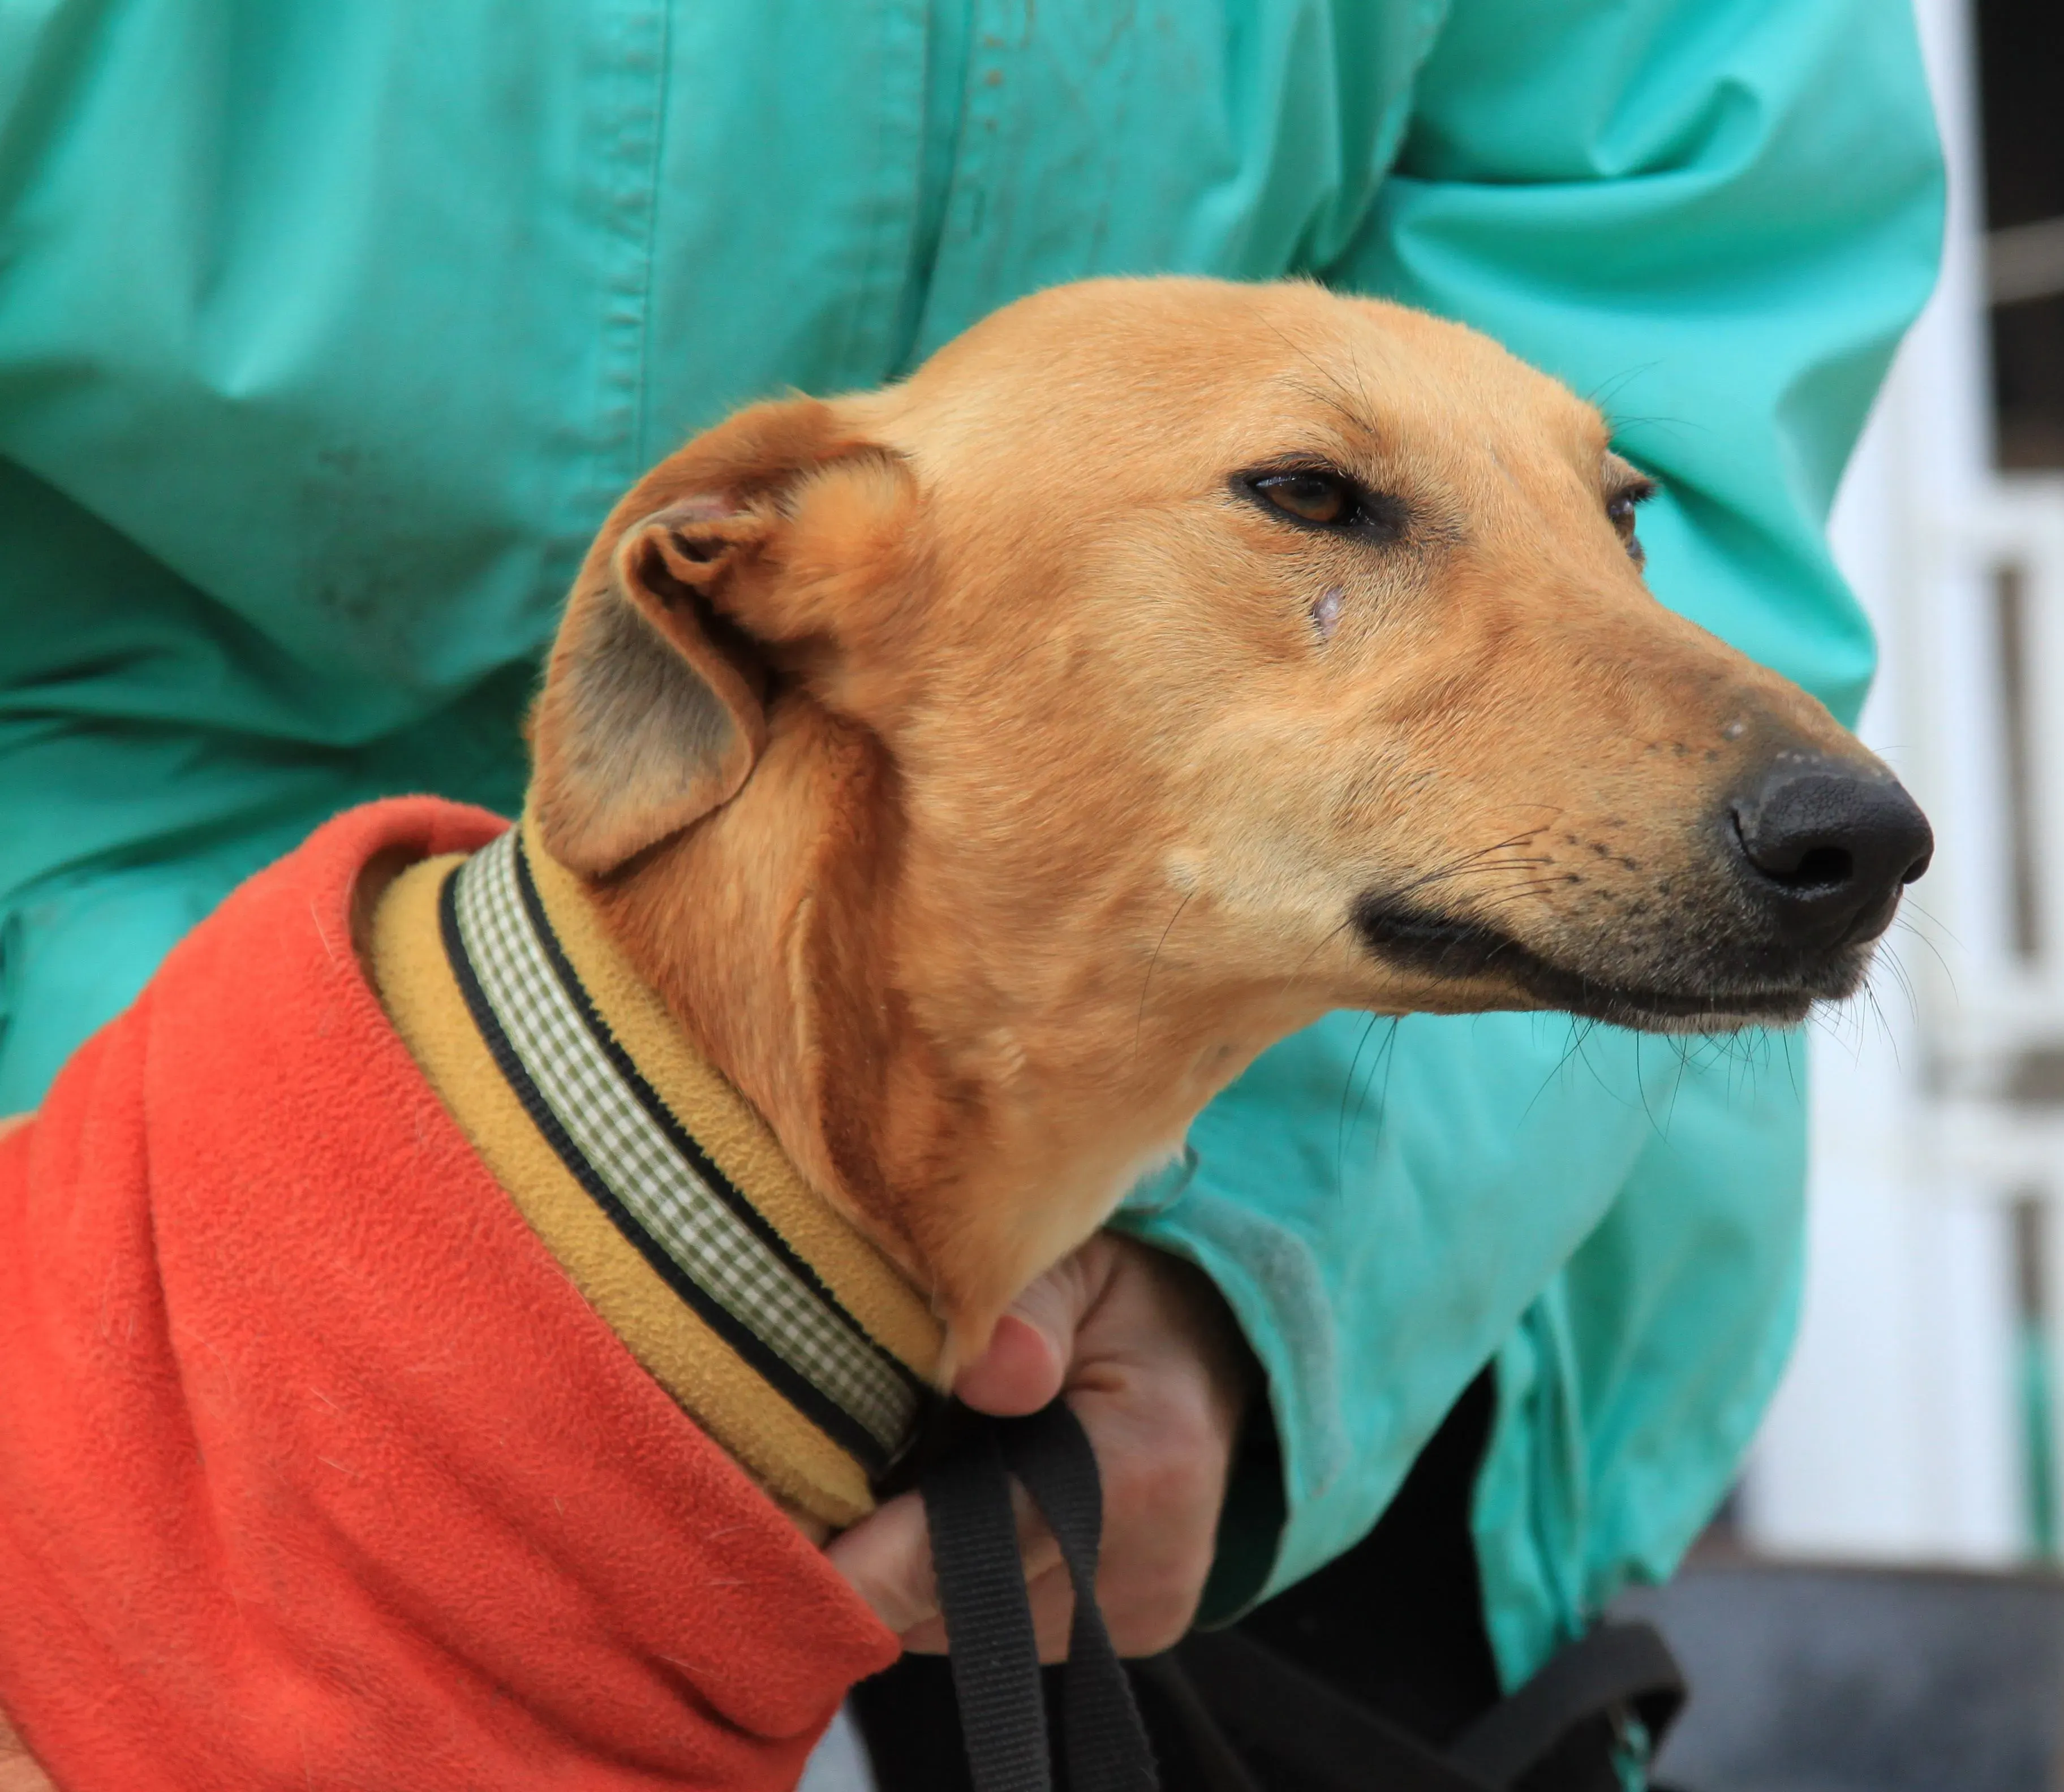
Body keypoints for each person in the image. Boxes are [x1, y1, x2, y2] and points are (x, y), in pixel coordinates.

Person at [0, 1, 1943, 1782]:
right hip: (192, 1166)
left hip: (1326, 1295)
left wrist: (1271, 1297)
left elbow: (1684, 278)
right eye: (1322, 504)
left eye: (1607, 524)